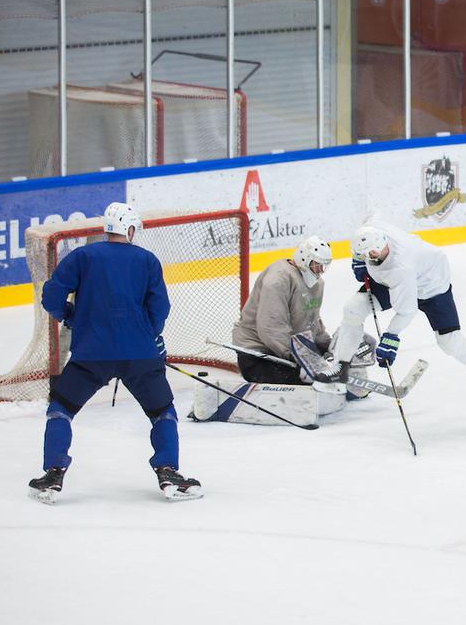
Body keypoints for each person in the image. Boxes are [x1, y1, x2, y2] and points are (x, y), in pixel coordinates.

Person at [27, 202, 202, 504]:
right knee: (163, 413)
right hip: (140, 354)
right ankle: (168, 472)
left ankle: (52, 474)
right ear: (131, 229)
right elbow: (160, 307)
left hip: (90, 354)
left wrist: (70, 315)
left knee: (60, 409)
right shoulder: (147, 260)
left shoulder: (82, 257)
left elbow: (52, 295)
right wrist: (149, 334)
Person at [314, 222, 466, 394]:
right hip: (396, 277)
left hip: (432, 287)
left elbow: (407, 310)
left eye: (371, 254)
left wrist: (390, 337)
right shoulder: (374, 233)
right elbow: (363, 234)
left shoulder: (401, 268)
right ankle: (341, 366)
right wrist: (359, 259)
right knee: (353, 309)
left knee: (448, 340)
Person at [232, 235, 333, 385]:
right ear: (304, 258)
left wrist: (329, 347)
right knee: (306, 380)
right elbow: (270, 328)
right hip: (258, 353)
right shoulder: (278, 280)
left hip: (289, 350)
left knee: (325, 376)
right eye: (317, 265)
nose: (320, 271)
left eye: (323, 266)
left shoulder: (317, 285)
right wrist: (300, 356)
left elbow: (312, 324)